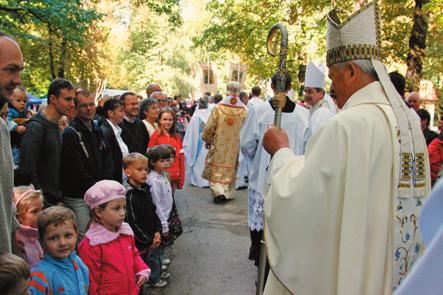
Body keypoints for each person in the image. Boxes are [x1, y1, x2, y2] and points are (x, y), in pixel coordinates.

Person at [261, 3, 430, 294]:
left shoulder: (347, 126)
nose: (331, 85)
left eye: (332, 75)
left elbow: (302, 200)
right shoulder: (408, 125)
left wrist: (281, 153)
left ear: (351, 71)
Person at [240, 71, 309, 268]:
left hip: (262, 177)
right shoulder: (304, 115)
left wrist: (257, 161)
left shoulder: (259, 110)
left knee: (261, 223)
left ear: (271, 87)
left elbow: (246, 144)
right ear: (289, 87)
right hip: (291, 178)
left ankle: (260, 262)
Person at [78, 180, 150, 295]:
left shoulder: (125, 231)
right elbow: (90, 281)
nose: (122, 213)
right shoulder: (92, 244)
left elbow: (134, 254)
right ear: (98, 212)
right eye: (116, 208)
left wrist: (141, 269)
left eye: (124, 207)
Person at [60, 89, 114, 239]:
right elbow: (75, 170)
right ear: (76, 108)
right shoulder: (70, 133)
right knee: (86, 238)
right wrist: (97, 188)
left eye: (91, 104)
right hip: (79, 196)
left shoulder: (97, 129)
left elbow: (107, 157)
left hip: (100, 193)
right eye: (84, 105)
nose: (89, 109)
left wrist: (105, 184)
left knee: (104, 234)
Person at [20, 78, 75, 206]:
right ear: (53, 99)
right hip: (43, 204)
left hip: (55, 200)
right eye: (67, 99)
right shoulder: (36, 127)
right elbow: (28, 171)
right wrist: (46, 203)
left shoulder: (55, 126)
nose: (72, 104)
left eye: (73, 99)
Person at [124, 153, 168, 289]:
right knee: (143, 264)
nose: (144, 173)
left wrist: (157, 230)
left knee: (153, 258)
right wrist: (148, 241)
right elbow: (133, 223)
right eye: (139, 169)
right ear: (128, 172)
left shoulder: (145, 188)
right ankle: (151, 281)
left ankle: (155, 274)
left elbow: (152, 211)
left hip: (152, 237)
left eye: (145, 169)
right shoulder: (129, 196)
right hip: (141, 242)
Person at [202, 82, 247, 203]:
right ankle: (227, 192)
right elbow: (246, 129)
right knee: (231, 166)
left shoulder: (219, 107)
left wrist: (207, 139)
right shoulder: (244, 110)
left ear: (227, 90)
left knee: (217, 165)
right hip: (234, 145)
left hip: (219, 143)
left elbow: (210, 126)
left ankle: (218, 192)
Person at [28, 206, 89, 294]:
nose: (62, 243)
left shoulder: (78, 263)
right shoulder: (39, 276)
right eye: (54, 238)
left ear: (76, 235)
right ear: (42, 242)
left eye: (68, 235)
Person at [0, 32, 24, 253]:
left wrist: (14, 230)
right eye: (10, 70)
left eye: (19, 72)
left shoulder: (1, 127)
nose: (17, 81)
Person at [148, 108, 185, 193]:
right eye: (165, 119)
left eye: (170, 120)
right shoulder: (155, 136)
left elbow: (181, 159)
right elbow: (150, 158)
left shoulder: (177, 137)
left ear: (174, 121)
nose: (167, 122)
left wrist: (181, 179)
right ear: (159, 120)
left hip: (174, 177)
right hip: (160, 177)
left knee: (170, 199)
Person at [304, 61, 336, 143]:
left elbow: (316, 143)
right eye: (306, 91)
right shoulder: (314, 108)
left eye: (310, 92)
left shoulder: (322, 113)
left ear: (321, 93)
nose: (306, 95)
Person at [12, 186, 44, 268]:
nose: (41, 214)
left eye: (42, 209)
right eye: (34, 211)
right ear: (19, 216)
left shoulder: (38, 234)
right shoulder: (19, 243)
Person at [183, 98, 211, 188]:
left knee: (199, 162)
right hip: (209, 142)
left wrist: (189, 142)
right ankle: (208, 180)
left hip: (198, 143)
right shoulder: (211, 115)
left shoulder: (195, 117)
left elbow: (191, 132)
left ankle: (198, 180)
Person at [100, 98, 128, 183]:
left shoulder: (117, 130)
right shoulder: (105, 132)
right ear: (110, 113)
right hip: (113, 181)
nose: (123, 114)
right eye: (121, 111)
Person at [8, 86, 29, 166]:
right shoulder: (10, 111)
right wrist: (16, 127)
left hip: (20, 143)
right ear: (10, 100)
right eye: (18, 101)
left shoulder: (24, 112)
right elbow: (6, 121)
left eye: (25, 101)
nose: (22, 103)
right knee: (15, 161)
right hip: (13, 144)